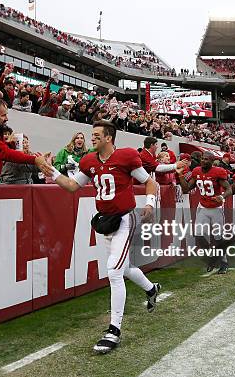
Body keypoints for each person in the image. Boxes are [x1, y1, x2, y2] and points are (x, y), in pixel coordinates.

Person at [42, 120, 161, 354]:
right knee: (123, 268)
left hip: (125, 219)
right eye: (92, 134)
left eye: (96, 135)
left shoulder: (126, 156)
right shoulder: (88, 160)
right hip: (106, 221)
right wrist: (52, 171)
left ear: (109, 137)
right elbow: (71, 186)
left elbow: (149, 182)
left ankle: (114, 330)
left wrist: (149, 203)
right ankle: (151, 289)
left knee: (114, 271)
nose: (92, 138)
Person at [176, 151, 233, 274]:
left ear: (212, 161)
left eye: (207, 159)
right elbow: (186, 189)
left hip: (216, 207)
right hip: (202, 206)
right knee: (198, 234)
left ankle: (224, 262)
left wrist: (222, 197)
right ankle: (212, 258)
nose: (203, 161)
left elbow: (229, 189)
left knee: (218, 237)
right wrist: (180, 176)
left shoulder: (218, 171)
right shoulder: (196, 171)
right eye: (202, 158)